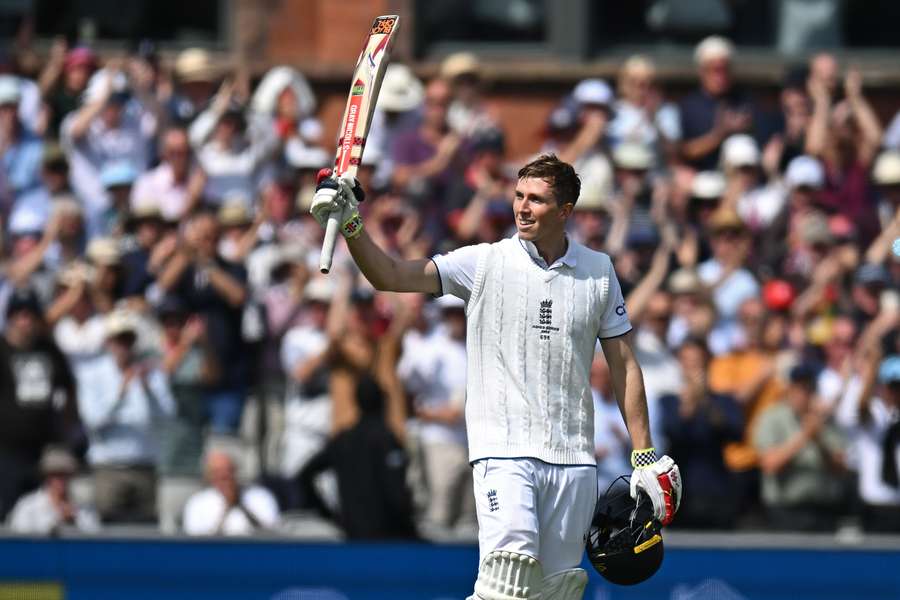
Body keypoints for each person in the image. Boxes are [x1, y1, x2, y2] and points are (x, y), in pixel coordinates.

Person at [309, 153, 681, 598]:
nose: (522, 207)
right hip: (503, 451)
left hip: (574, 458)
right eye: (519, 196)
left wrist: (643, 453)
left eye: (537, 200)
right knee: (508, 578)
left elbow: (623, 364)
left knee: (557, 590)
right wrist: (352, 223)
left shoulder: (599, 272)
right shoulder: (483, 262)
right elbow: (389, 275)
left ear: (566, 211)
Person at [75, 309, 175, 523]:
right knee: (106, 533)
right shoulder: (92, 373)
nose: (124, 346)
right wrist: (120, 392)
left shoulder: (151, 373)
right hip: (109, 467)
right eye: (119, 340)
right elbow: (92, 420)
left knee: (146, 533)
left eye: (128, 340)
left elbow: (168, 417)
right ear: (108, 342)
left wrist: (148, 389)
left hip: (145, 465)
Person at [182, 449, 280, 536]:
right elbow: (197, 545)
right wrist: (226, 508)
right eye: (217, 473)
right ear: (208, 476)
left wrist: (241, 504)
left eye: (228, 470)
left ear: (235, 471)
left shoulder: (260, 497)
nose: (224, 476)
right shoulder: (197, 504)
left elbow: (271, 535)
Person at [7, 446, 100, 535]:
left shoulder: (83, 508)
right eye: (56, 475)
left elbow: (95, 539)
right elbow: (19, 541)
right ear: (46, 476)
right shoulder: (28, 506)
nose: (61, 480)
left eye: (65, 475)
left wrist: (73, 522)